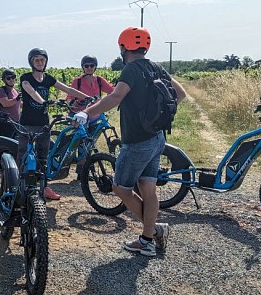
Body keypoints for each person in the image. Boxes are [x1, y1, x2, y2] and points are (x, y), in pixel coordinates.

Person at [74, 27, 187, 256]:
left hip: (136, 140)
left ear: (123, 47)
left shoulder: (131, 70)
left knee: (120, 187)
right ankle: (149, 236)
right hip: (157, 137)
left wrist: (87, 112)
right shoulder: (156, 67)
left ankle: (152, 233)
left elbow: (115, 97)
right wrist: (156, 113)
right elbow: (181, 94)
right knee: (148, 188)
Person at [19, 48, 89, 201]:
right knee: (24, 156)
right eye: (36, 59)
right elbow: (31, 92)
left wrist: (88, 98)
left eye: (42, 59)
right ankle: (19, 187)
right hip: (27, 124)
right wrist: (43, 102)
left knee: (44, 157)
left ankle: (44, 188)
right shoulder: (25, 78)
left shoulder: (48, 78)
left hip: (44, 123)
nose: (40, 62)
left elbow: (68, 89)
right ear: (31, 62)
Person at [0, 68, 22, 139]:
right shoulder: (2, 90)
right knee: (5, 142)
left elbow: (20, 104)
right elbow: (5, 103)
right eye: (8, 78)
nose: (11, 80)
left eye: (13, 77)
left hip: (15, 122)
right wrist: (16, 99)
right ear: (4, 80)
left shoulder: (15, 90)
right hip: (6, 122)